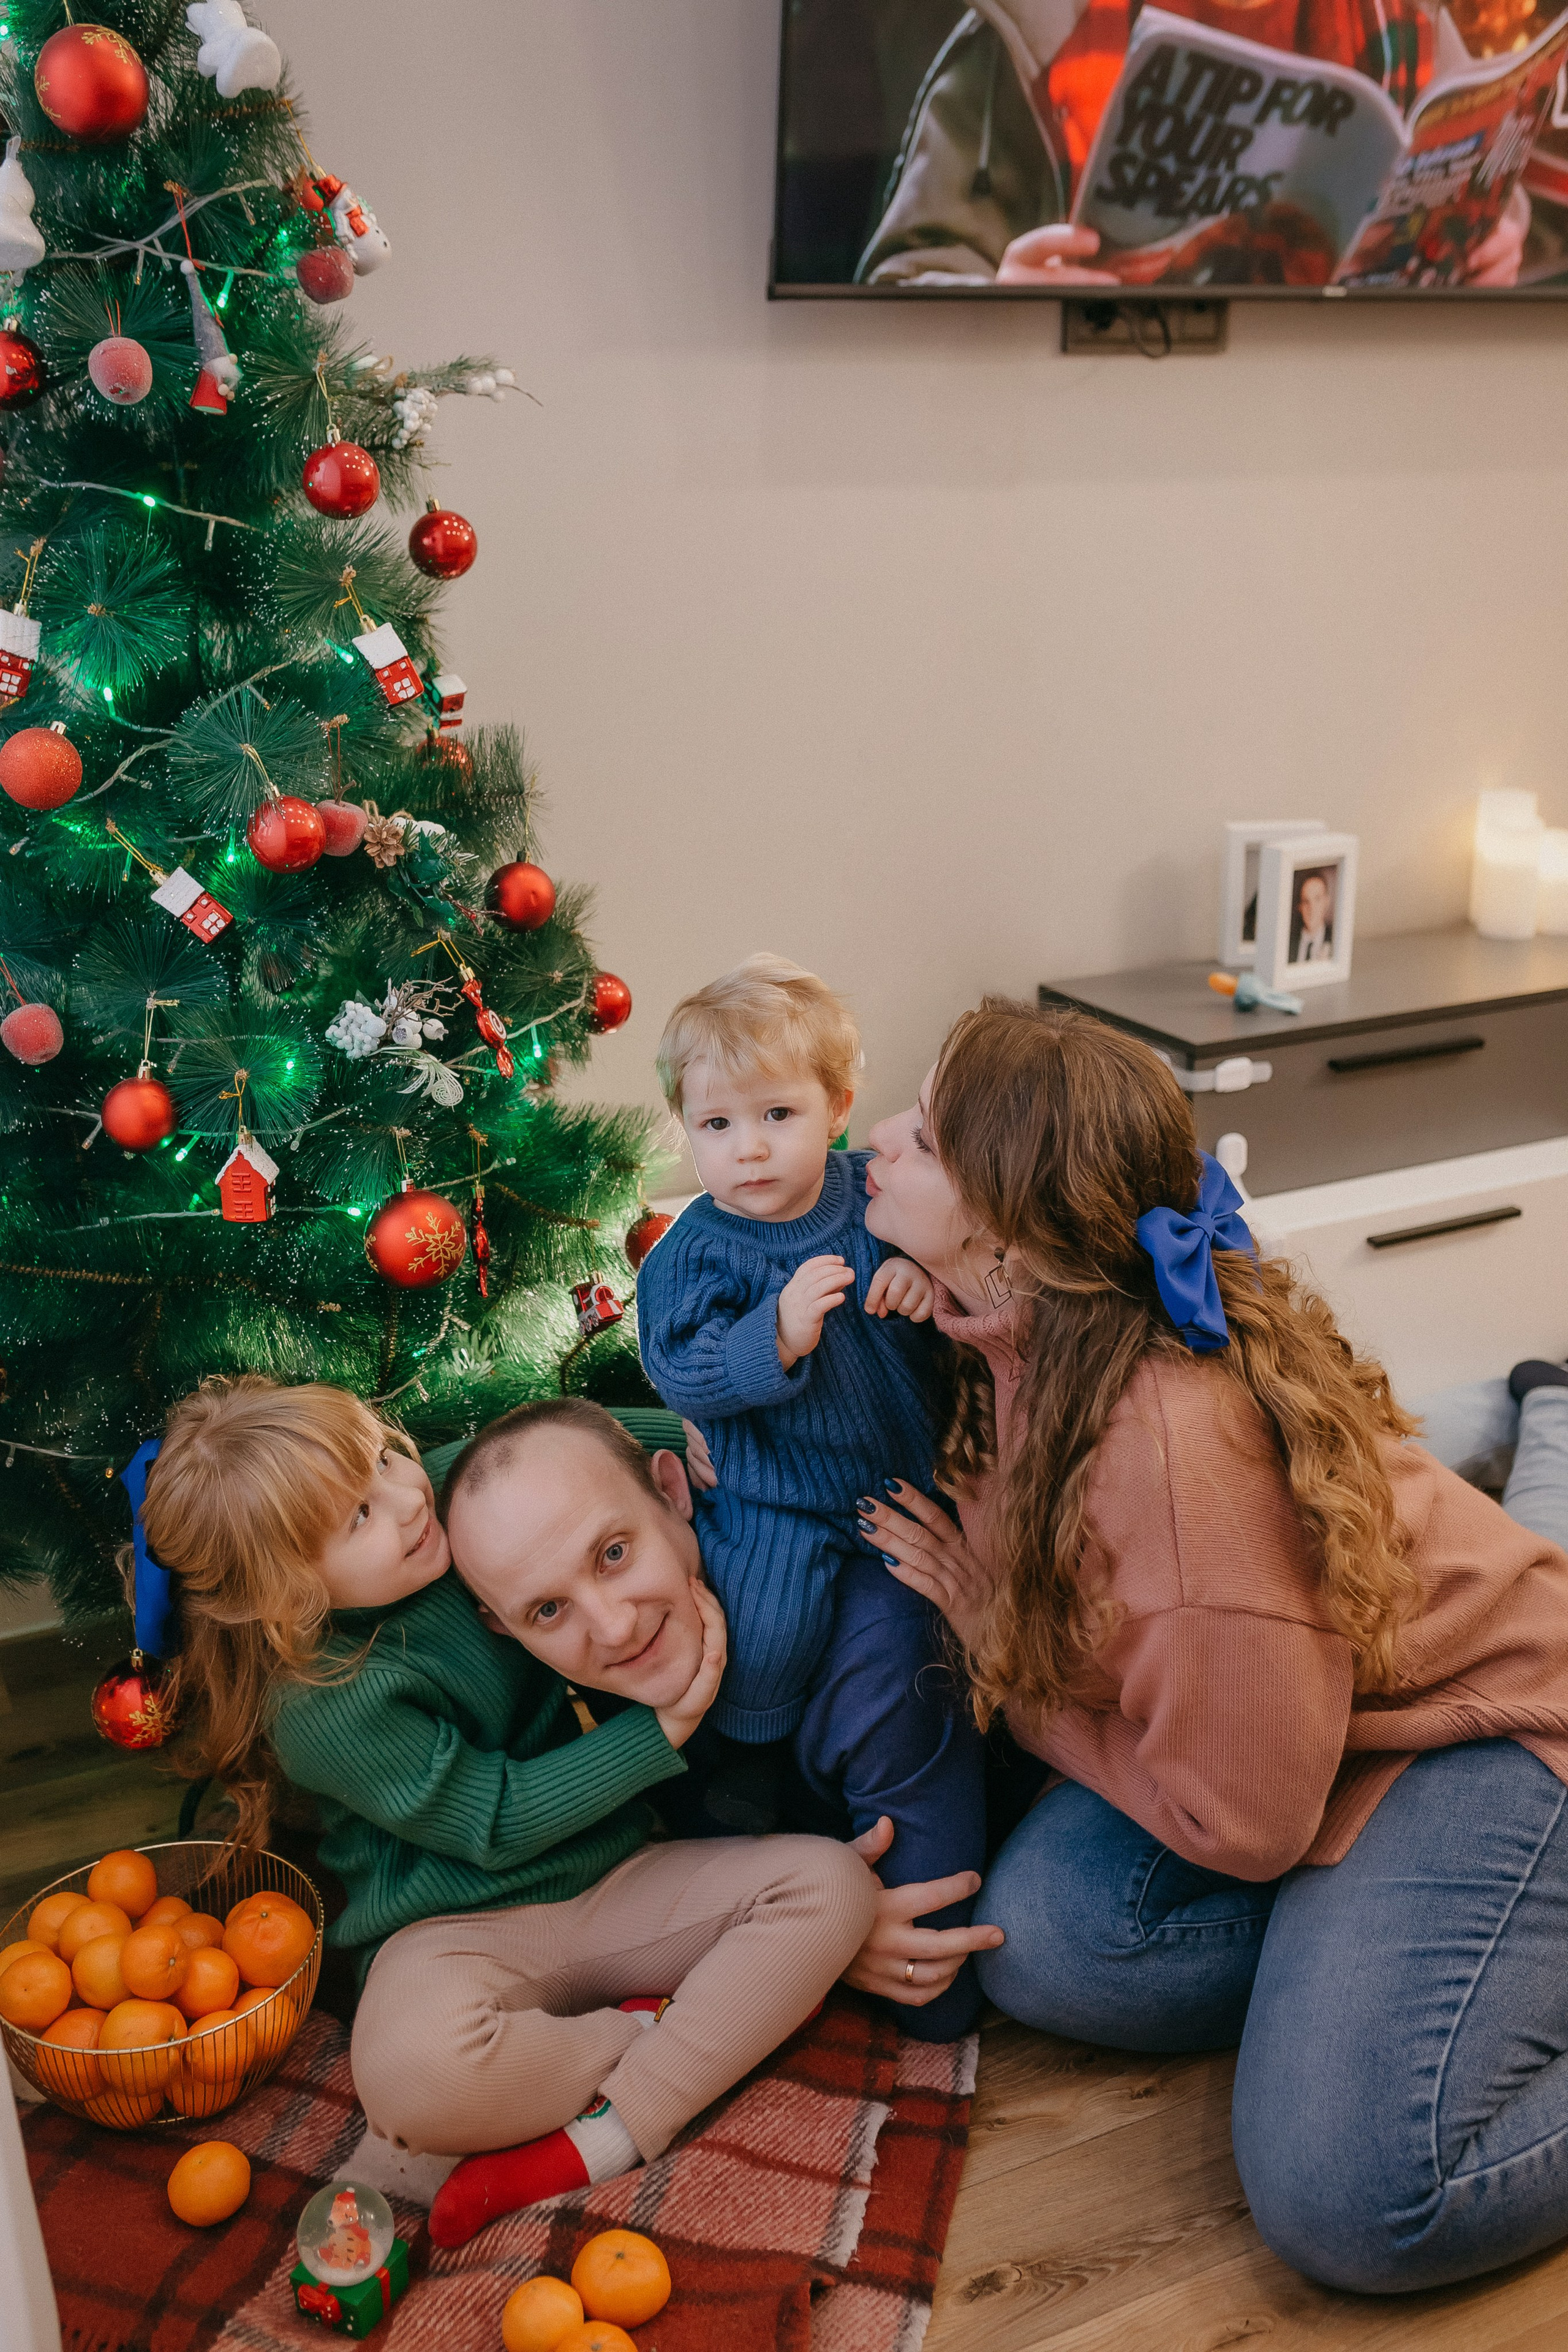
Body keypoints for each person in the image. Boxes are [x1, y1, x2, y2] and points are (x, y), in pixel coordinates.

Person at [853, 998, 1568, 2296]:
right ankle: (1392, 1970)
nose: (881, 1142)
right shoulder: (1012, 1333)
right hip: (1309, 1722)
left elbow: (1243, 1828)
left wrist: (997, 1669)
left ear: (1011, 1237)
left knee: (1353, 2199)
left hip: (1487, 1727)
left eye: (927, 1139)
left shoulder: (1167, 1453)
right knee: (1055, 1936)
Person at [134, 1376, 878, 2250]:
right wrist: (660, 1729)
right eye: (357, 1519)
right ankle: (663, 2029)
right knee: (411, 2086)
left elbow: (574, 1450)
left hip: (617, 1876)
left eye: (383, 1458)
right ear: (285, 1596)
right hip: (456, 1933)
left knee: (831, 1888)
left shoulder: (443, 1505)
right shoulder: (321, 1704)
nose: (408, 1501)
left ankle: (609, 2131)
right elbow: (493, 1820)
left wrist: (689, 1425)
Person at [635, 954, 989, 2035]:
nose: (746, 1149)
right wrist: (771, 1337)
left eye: (778, 1115)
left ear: (839, 1109)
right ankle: (750, 1781)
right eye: (716, 1125)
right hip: (776, 1503)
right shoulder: (692, 1251)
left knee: (909, 1656)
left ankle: (922, 1811)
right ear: (685, 1132)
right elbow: (678, 1370)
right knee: (770, 1637)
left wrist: (917, 1287)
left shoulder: (864, 1201)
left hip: (895, 1482)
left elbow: (941, 1273)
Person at [857, 1, 1529, 288]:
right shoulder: (1046, 25)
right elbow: (900, 288)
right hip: (1084, 450)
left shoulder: (1403, 20)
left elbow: (1479, 176)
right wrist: (1000, 306)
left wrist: (1494, 241)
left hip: (1330, 450)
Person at [1287, 865, 1335, 962]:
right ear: (1300, 907)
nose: (1311, 908)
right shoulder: (1288, 942)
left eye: (1317, 899)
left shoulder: (1336, 939)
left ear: (1326, 902)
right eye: (1306, 901)